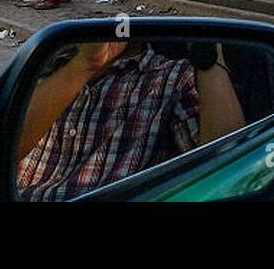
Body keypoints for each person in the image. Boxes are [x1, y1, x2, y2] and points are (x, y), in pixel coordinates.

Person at [15, 40, 245, 202]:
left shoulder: (169, 78)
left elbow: (226, 161)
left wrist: (206, 53)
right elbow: (5, 146)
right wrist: (83, 65)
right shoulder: (51, 63)